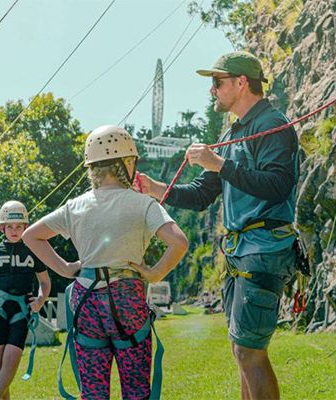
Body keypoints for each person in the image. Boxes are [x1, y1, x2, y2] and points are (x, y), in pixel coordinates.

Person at [138, 51, 299, 400]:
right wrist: (156, 190)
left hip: (264, 248)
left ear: (241, 83)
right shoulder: (235, 130)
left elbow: (277, 186)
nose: (212, 91)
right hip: (241, 252)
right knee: (242, 349)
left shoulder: (272, 125)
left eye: (217, 82)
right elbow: (201, 195)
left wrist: (220, 164)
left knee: (249, 351)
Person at [22, 125, 189, 400]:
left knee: (93, 390)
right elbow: (179, 242)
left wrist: (65, 268)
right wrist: (156, 274)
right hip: (127, 297)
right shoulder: (143, 204)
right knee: (136, 388)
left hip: (86, 296)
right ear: (127, 163)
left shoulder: (75, 206)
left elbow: (31, 236)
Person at [0, 200, 51, 400]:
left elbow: (45, 282)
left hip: (21, 310)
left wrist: (41, 300)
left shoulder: (33, 251)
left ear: (26, 227)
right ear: (2, 227)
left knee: (12, 357)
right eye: (9, 226)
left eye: (19, 226)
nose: (14, 230)